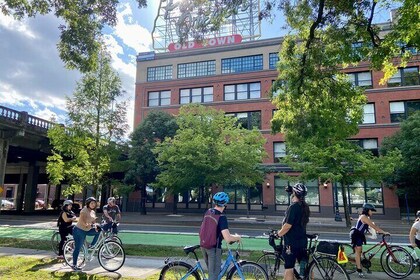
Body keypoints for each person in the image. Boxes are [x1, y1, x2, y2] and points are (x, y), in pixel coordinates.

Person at [200, 192, 241, 280]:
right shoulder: (221, 217)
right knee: (214, 276)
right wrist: (238, 237)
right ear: (225, 204)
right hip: (213, 249)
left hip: (204, 246)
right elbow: (228, 238)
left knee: (211, 272)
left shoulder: (208, 212)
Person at [277, 183, 310, 280]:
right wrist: (292, 190)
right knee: (305, 269)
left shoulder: (293, 207)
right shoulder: (304, 207)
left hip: (291, 243)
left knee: (289, 268)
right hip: (302, 242)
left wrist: (278, 234)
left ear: (295, 193)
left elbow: (287, 226)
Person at [350, 203, 390, 278]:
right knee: (358, 252)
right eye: (371, 211)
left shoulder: (366, 217)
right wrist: (383, 232)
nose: (372, 212)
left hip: (360, 235)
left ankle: (360, 264)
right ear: (367, 210)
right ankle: (359, 270)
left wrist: (377, 232)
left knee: (360, 251)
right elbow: (373, 226)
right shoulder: (364, 217)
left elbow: (369, 227)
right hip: (356, 235)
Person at [72, 196, 100, 271]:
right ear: (88, 203)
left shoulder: (93, 211)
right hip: (79, 230)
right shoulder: (83, 211)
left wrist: (96, 226)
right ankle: (74, 265)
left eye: (94, 203)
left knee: (99, 232)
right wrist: (90, 225)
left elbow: (94, 221)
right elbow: (83, 222)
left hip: (87, 230)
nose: (93, 205)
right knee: (78, 247)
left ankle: (91, 245)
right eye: (92, 203)